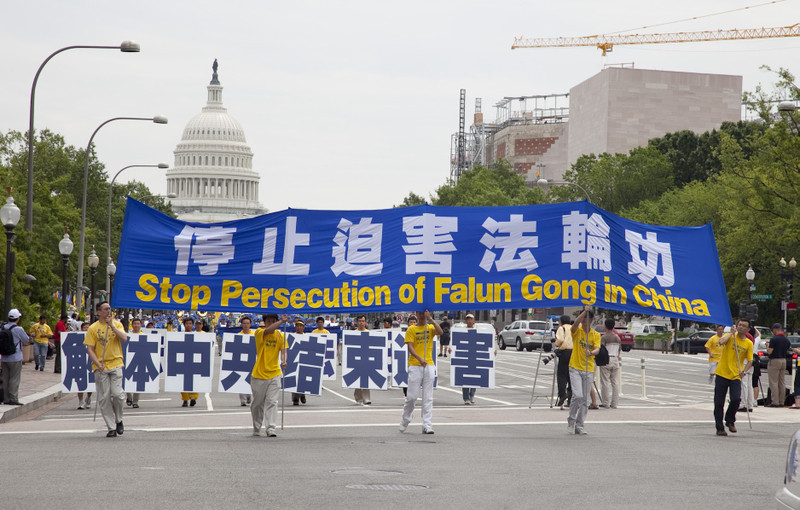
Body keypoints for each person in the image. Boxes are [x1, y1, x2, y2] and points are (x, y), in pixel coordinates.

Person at [84, 302, 128, 438]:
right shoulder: (93, 328)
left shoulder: (117, 324)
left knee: (117, 395)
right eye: (105, 309)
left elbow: (124, 339)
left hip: (116, 363)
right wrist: (97, 363)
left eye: (109, 309)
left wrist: (112, 326)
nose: (108, 311)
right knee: (104, 397)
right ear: (98, 312)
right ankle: (110, 427)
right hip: (101, 367)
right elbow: (90, 349)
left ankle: (119, 419)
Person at [400, 310, 442, 434]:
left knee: (428, 397)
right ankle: (406, 419)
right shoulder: (411, 329)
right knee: (412, 397)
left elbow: (440, 332)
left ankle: (427, 424)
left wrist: (432, 320)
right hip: (415, 365)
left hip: (429, 365)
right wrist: (419, 359)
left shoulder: (430, 327)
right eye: (420, 314)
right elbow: (410, 346)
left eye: (424, 314)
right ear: (416, 315)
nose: (422, 316)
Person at [713, 319, 754, 436]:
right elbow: (721, 341)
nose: (741, 327)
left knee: (736, 399)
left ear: (748, 329)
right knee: (719, 402)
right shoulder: (730, 337)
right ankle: (719, 427)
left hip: (735, 375)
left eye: (743, 326)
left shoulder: (748, 343)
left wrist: (744, 371)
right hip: (722, 373)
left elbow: (750, 360)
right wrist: (731, 333)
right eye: (739, 325)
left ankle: (730, 419)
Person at [251, 313, 288, 437]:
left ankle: (270, 428)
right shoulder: (259, 333)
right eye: (269, 321)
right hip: (259, 374)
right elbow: (269, 330)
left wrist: (283, 360)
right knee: (257, 404)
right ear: (264, 322)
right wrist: (281, 322)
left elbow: (283, 351)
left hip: (275, 373)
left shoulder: (281, 336)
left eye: (273, 321)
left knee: (272, 401)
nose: (271, 323)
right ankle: (256, 427)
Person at [567, 305, 601, 435]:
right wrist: (584, 312)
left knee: (586, 399)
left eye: (587, 319)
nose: (584, 321)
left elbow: (597, 348)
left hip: (588, 368)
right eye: (583, 319)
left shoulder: (595, 335)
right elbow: (575, 324)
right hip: (575, 367)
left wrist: (591, 352)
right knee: (578, 395)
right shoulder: (577, 331)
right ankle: (571, 419)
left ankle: (579, 425)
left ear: (592, 320)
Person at [1, 309, 31, 405]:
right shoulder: (19, 329)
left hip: (4, 357)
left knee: (5, 378)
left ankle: (6, 399)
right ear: (17, 318)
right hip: (15, 357)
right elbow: (26, 340)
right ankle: (13, 398)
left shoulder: (2, 328)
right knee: (14, 378)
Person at [766, 323, 790, 407]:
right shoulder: (786, 340)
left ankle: (775, 402)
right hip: (783, 360)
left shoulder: (774, 339)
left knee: (773, 382)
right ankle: (781, 401)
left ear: (775, 330)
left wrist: (767, 346)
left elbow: (770, 351)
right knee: (782, 382)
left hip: (775, 360)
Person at [599, 319, 621, 409]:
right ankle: (615, 403)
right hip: (615, 359)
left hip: (606, 359)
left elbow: (601, 350)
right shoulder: (617, 338)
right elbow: (619, 350)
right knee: (615, 382)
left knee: (605, 382)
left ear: (605, 326)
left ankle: (605, 402)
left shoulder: (604, 337)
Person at [352, 315, 373, 405]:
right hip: (356, 359)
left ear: (365, 322)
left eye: (363, 321)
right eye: (360, 321)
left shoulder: (369, 332)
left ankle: (366, 398)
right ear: (357, 322)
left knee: (365, 379)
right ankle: (358, 398)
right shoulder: (353, 333)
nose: (361, 322)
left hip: (366, 358)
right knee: (357, 379)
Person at [180, 316, 200, 407]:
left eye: (190, 324)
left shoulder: (197, 335)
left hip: (194, 361)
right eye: (187, 324)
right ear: (184, 325)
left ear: (193, 325)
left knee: (194, 380)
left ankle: (193, 397)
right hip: (183, 361)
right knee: (183, 381)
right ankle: (185, 399)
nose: (188, 325)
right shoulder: (179, 336)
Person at [554, 315, 573, 408]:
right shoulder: (574, 327)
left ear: (561, 321)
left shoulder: (562, 328)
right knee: (571, 375)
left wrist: (557, 342)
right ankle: (570, 398)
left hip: (564, 352)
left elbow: (560, 339)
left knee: (561, 375)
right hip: (574, 353)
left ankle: (562, 394)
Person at [125, 318, 144, 408]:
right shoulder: (128, 335)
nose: (136, 325)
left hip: (140, 361)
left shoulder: (144, 336)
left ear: (141, 325)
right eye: (135, 324)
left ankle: (135, 401)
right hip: (129, 361)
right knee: (128, 380)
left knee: (138, 382)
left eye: (138, 324)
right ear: (132, 325)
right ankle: (129, 397)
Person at [290, 318, 307, 406]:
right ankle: (295, 399)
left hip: (304, 360)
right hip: (294, 361)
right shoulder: (291, 337)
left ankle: (302, 395)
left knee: (302, 379)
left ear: (303, 327)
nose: (299, 328)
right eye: (297, 326)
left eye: (301, 326)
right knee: (294, 380)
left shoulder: (307, 337)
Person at [76, 322, 93, 409]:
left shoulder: (93, 337)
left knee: (90, 383)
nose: (86, 329)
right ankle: (80, 401)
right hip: (80, 362)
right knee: (80, 383)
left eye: (88, 328)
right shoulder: (77, 337)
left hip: (90, 363)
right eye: (85, 328)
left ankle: (88, 398)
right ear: (81, 329)